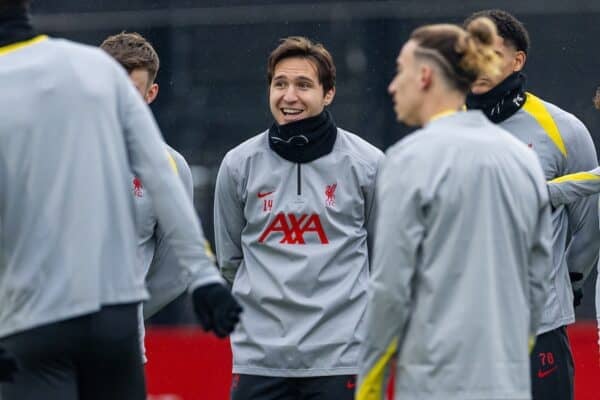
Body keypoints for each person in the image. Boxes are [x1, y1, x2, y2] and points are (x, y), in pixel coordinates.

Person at [0, 1, 241, 399]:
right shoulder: (87, 68)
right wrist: (205, 277)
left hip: (33, 321)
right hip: (113, 326)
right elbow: (161, 176)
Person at [356, 18, 552, 400]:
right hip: (508, 382)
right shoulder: (521, 159)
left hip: (434, 384)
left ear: (425, 76)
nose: (393, 86)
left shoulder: (407, 159)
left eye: (401, 72)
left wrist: (370, 381)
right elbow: (537, 277)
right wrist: (510, 353)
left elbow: (390, 288)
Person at [214, 36, 384, 400]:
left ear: (328, 94)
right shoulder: (238, 164)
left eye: (303, 85)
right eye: (280, 84)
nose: (289, 96)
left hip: (343, 359)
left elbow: (384, 258)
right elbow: (230, 262)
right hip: (259, 360)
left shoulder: (368, 165)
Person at [464, 10, 600, 400]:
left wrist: (571, 281)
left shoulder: (564, 128)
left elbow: (588, 226)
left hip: (539, 330)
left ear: (517, 60)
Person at [100, 31, 210, 363]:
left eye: (130, 93)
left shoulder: (171, 167)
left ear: (151, 93)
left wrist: (125, 309)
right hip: (45, 345)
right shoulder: (54, 154)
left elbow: (174, 269)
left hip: (122, 350)